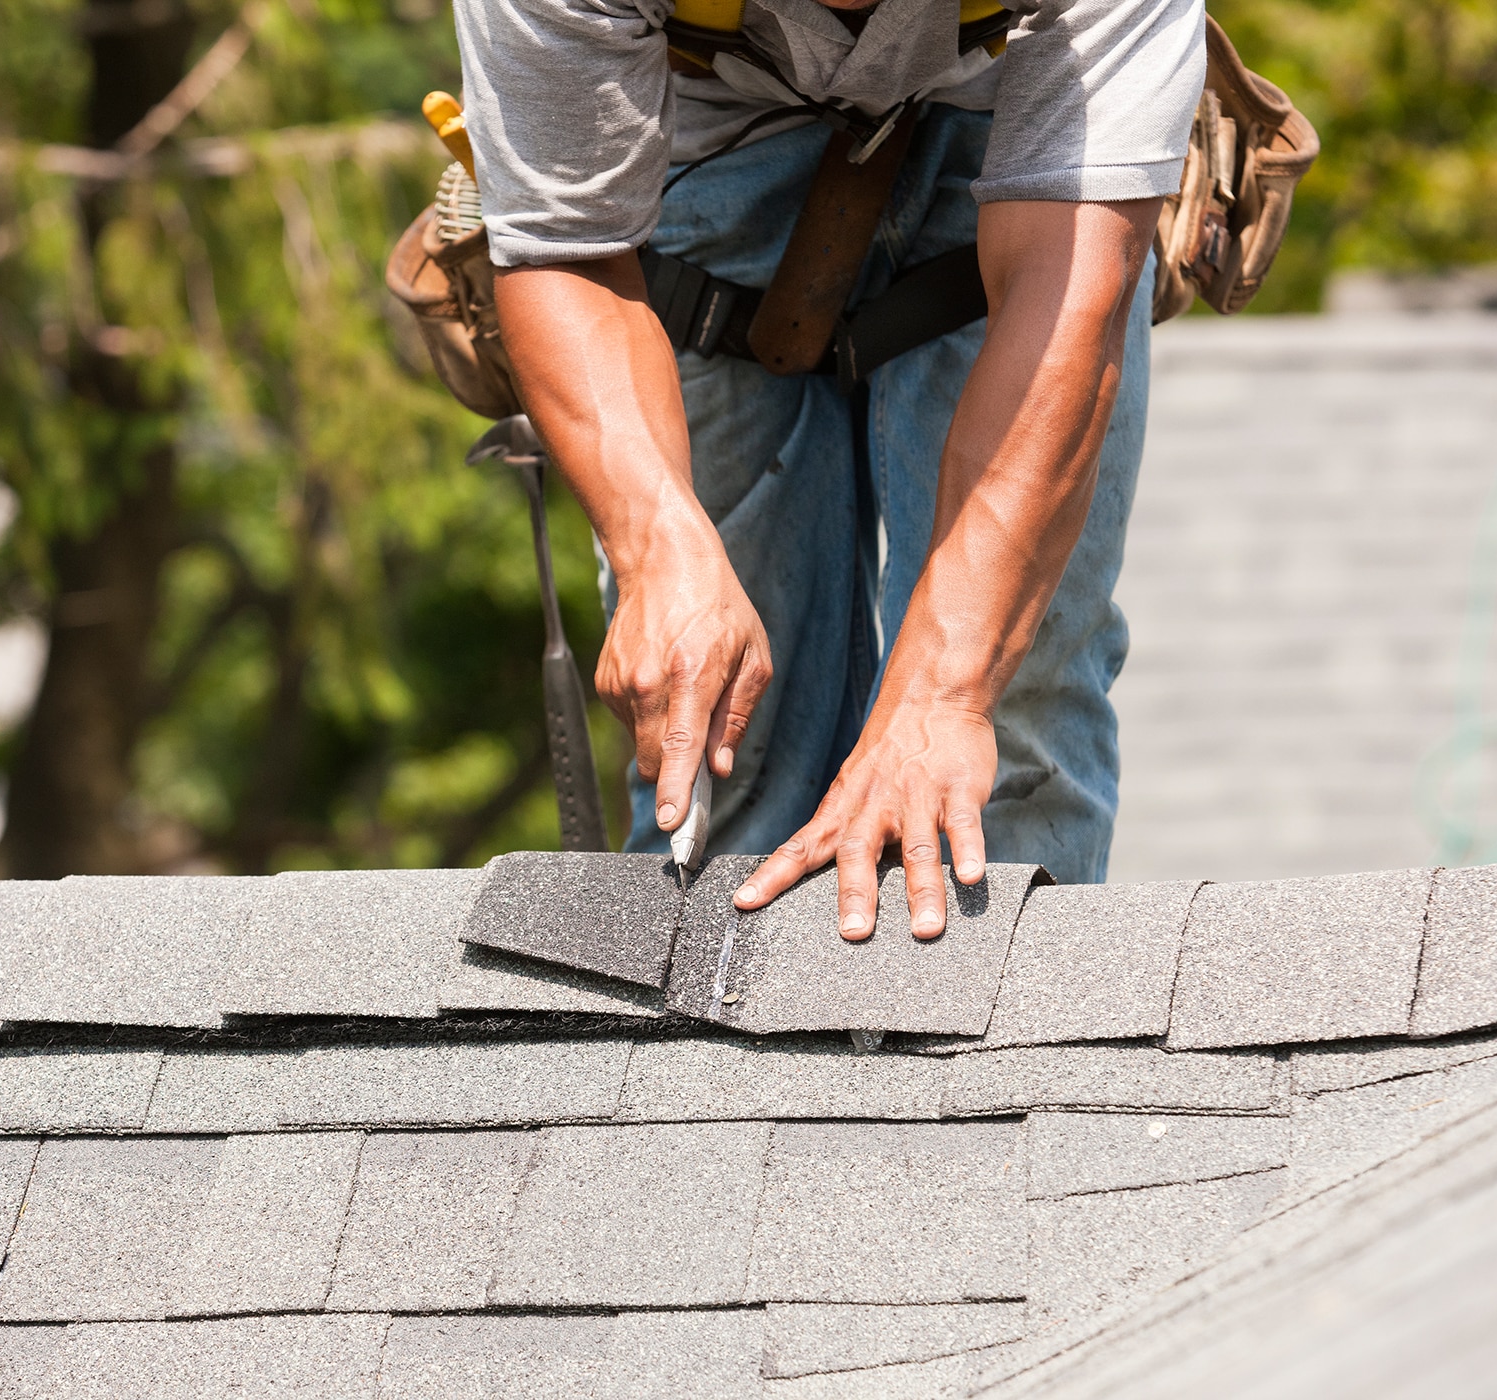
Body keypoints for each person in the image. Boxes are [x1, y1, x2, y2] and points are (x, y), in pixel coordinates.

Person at [453, 0, 1206, 938]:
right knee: (712, 720)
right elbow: (572, 254)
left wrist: (943, 691)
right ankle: (722, 1059)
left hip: (1021, 119)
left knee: (1007, 718)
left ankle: (992, 1058)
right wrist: (659, 551)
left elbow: (1070, 293)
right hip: (685, 135)